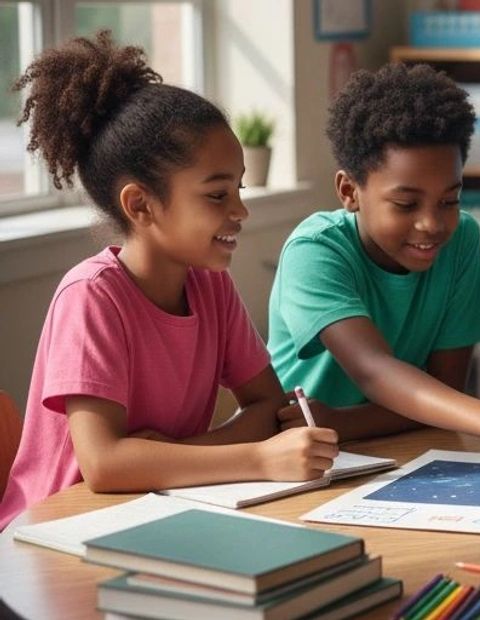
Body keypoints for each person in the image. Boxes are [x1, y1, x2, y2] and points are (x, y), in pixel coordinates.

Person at [0, 33, 337, 529]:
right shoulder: (91, 297)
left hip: (158, 512)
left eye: (238, 188)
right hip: (57, 533)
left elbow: (271, 407)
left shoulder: (210, 286)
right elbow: (105, 466)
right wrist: (257, 458)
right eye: (217, 194)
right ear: (140, 205)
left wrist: (176, 455)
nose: (240, 210)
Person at [266, 63, 480, 472]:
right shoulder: (316, 251)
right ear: (349, 192)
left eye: (449, 200)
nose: (432, 224)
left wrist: (346, 423)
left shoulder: (461, 238)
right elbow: (373, 370)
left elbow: (445, 392)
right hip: (302, 459)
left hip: (402, 448)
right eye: (406, 204)